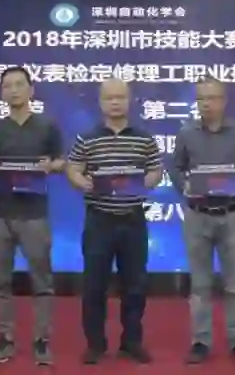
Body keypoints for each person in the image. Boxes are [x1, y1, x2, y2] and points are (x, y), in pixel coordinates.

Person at [67, 78, 163, 365]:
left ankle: (131, 342)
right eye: (109, 98)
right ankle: (95, 344)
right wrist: (80, 181)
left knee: (135, 285)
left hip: (133, 219)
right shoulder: (87, 138)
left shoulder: (144, 138)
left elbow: (156, 169)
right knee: (94, 285)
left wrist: (147, 182)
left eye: (120, 97)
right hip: (99, 220)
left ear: (129, 100)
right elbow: (73, 168)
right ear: (101, 102)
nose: (115, 102)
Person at [168, 76, 235, 364]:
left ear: (224, 100)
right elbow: (176, 168)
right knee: (200, 284)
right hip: (198, 215)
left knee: (234, 284)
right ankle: (200, 341)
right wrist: (183, 185)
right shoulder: (186, 133)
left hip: (231, 214)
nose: (206, 104)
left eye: (212, 97)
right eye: (201, 99)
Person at [0, 66, 64, 365]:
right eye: (8, 86)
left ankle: (42, 340)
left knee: (42, 281)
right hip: (0, 213)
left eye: (19, 84)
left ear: (31, 90)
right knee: (0, 282)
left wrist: (52, 166)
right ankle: (4, 339)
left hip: (34, 214)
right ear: (1, 93)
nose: (14, 90)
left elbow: (61, 162)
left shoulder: (47, 126)